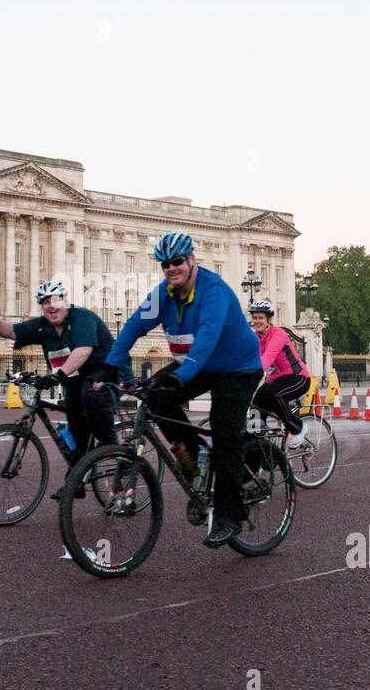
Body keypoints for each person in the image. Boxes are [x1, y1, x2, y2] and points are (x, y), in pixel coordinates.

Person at [105, 231, 263, 549]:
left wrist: (185, 373)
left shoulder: (213, 290)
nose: (171, 269)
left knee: (224, 432)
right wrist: (110, 363)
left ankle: (229, 516)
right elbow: (136, 324)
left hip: (236, 368)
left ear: (192, 260)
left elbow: (207, 335)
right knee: (156, 399)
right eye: (165, 264)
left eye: (177, 261)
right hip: (196, 364)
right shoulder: (165, 293)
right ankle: (196, 461)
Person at [0, 280, 118, 468]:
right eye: (45, 302)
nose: (51, 306)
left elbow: (83, 350)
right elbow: (13, 332)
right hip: (74, 381)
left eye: (55, 300)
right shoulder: (42, 326)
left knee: (91, 393)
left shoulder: (82, 318)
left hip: (104, 371)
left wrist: (57, 376)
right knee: (76, 431)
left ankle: (111, 445)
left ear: (65, 302)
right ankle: (77, 480)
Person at [247, 299, 312, 446]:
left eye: (261, 318)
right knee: (255, 406)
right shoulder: (255, 337)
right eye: (255, 318)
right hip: (274, 380)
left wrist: (252, 374)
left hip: (297, 377)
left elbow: (268, 358)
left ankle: (298, 428)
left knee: (276, 395)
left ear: (268, 319)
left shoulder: (278, 334)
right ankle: (257, 445)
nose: (257, 321)